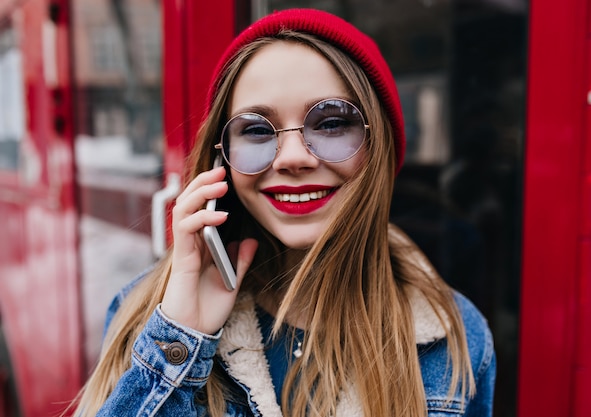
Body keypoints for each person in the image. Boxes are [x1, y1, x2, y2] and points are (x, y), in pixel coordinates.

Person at [72, 8, 495, 417]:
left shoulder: (455, 337)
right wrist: (182, 336)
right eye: (256, 129)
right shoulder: (148, 316)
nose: (293, 158)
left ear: (378, 147)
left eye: (330, 123)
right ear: (222, 160)